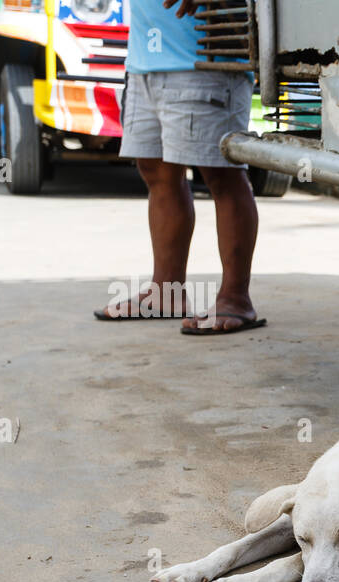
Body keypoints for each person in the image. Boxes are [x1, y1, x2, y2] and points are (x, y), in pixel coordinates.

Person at [95, 0, 264, 334]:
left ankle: (236, 298)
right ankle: (166, 293)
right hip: (144, 61)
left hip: (208, 58)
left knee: (221, 173)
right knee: (156, 172)